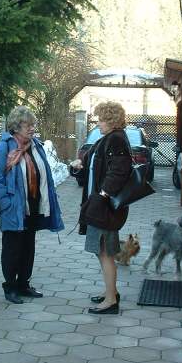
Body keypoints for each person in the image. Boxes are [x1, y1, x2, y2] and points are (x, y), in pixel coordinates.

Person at [0, 106, 64, 304]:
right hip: (14, 207)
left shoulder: (35, 145)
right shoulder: (5, 147)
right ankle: (10, 287)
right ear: (16, 127)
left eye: (33, 125)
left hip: (33, 206)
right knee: (12, 248)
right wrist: (5, 201)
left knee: (28, 246)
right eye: (27, 125)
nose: (32, 128)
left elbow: (44, 172)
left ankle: (23, 284)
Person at [71, 101, 132, 315]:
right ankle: (111, 292)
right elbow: (93, 164)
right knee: (102, 252)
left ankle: (111, 301)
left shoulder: (116, 139)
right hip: (99, 205)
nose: (98, 124)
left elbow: (119, 172)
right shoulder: (107, 138)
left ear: (112, 121)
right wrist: (80, 165)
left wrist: (103, 195)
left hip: (104, 208)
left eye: (101, 120)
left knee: (105, 252)